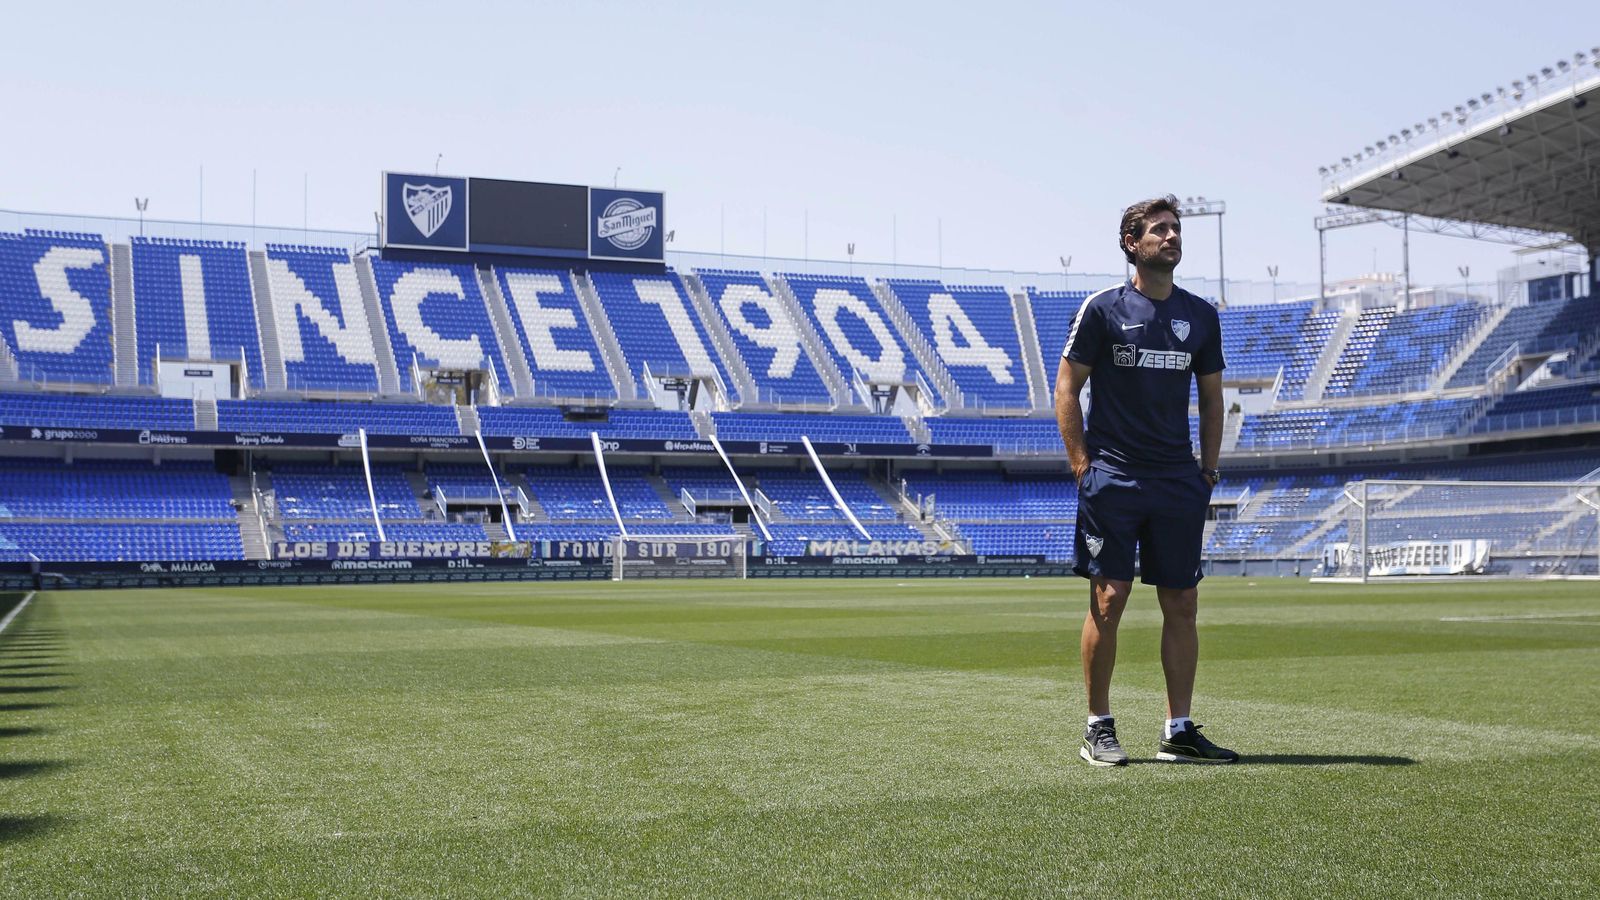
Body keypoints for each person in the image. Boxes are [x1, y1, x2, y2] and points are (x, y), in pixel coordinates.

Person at [1054, 194, 1238, 766]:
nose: (1171, 237)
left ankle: (1177, 730)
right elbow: (1066, 389)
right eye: (1159, 230)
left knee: (1182, 603)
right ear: (1132, 243)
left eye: (1176, 229)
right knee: (1109, 601)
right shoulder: (1103, 310)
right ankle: (1097, 726)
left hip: (1177, 480)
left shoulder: (1200, 316)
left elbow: (1213, 401)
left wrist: (1207, 471)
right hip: (1114, 477)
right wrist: (1083, 466)